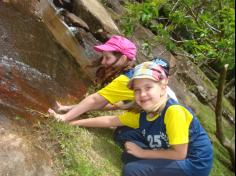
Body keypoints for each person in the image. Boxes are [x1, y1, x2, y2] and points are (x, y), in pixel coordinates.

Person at [69, 61, 213, 176]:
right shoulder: (145, 112)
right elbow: (111, 120)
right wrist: (74, 122)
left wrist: (142, 153)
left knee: (132, 170)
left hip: (193, 163)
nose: (142, 94)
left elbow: (180, 154)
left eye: (148, 87)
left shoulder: (174, 112)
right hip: (170, 147)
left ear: (163, 87)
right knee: (123, 137)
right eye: (137, 90)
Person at [48, 35, 178, 122]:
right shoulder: (138, 74)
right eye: (103, 57)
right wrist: (69, 107)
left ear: (122, 58)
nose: (103, 62)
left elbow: (94, 100)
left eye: (107, 58)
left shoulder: (127, 80)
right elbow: (114, 104)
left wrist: (64, 118)